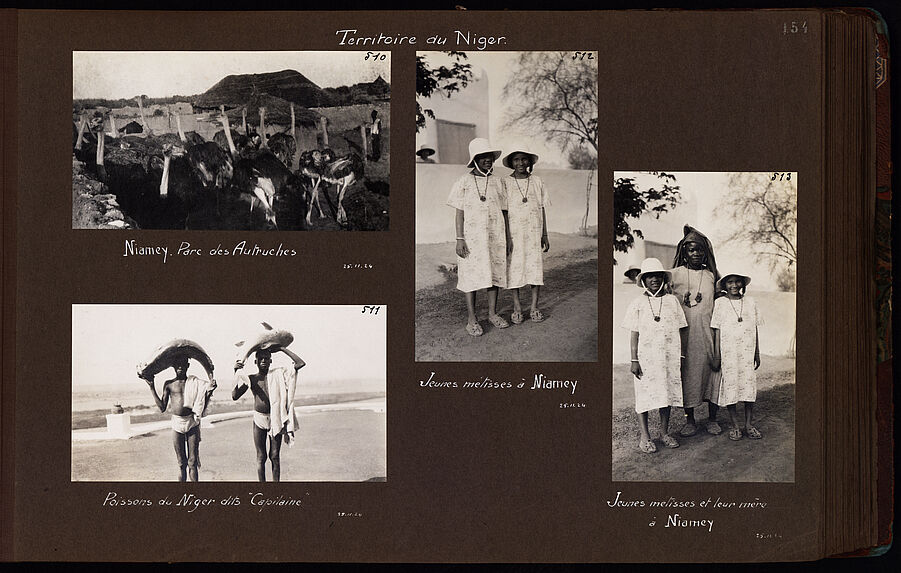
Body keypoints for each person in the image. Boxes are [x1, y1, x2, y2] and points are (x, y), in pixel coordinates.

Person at [621, 258, 688, 453]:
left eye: (658, 276)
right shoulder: (638, 303)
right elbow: (634, 333)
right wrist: (634, 360)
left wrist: (681, 356)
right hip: (646, 359)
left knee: (665, 394)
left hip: (668, 357)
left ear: (663, 279)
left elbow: (682, 328)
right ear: (643, 280)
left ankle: (664, 432)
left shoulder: (672, 301)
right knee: (644, 396)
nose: (654, 280)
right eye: (649, 277)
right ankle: (645, 436)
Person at [447, 138, 512, 336]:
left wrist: (508, 237)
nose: (487, 161)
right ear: (474, 159)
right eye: (482, 157)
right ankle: (472, 319)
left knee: (494, 274)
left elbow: (505, 212)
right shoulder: (463, 182)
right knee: (471, 277)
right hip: (472, 239)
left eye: (490, 157)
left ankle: (492, 314)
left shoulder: (498, 182)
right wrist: (459, 239)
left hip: (495, 236)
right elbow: (459, 213)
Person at [669, 224, 722, 437]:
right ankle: (689, 420)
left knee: (713, 374)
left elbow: (721, 304)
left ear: (705, 252)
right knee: (687, 375)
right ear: (684, 252)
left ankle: (712, 419)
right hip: (684, 338)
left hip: (708, 335)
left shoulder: (711, 277)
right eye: (691, 249)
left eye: (700, 249)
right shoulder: (673, 275)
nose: (696, 253)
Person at [232, 347, 305, 482]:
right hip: (259, 419)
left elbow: (300, 363)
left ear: (271, 361)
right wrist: (236, 373)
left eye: (266, 358)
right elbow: (235, 396)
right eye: (261, 358)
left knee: (275, 456)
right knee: (261, 457)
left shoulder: (278, 375)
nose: (264, 361)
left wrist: (282, 349)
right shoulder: (252, 379)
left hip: (275, 418)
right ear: (256, 361)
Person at [143, 356, 217, 482]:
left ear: (188, 366)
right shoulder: (169, 384)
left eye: (183, 364)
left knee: (192, 462)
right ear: (173, 367)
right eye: (177, 365)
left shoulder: (196, 382)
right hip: (177, 424)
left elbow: (201, 401)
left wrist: (210, 390)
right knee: (181, 463)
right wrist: (152, 387)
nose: (180, 368)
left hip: (192, 422)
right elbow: (162, 407)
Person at [710, 272, 763, 440]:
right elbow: (717, 330)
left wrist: (757, 352)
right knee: (731, 386)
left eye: (737, 282)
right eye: (730, 282)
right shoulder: (720, 303)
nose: (734, 285)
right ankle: (735, 425)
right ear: (725, 285)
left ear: (742, 284)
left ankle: (748, 424)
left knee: (748, 387)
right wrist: (717, 354)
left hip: (746, 351)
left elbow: (754, 328)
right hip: (729, 352)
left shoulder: (751, 302)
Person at [501, 148, 550, 324]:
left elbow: (542, 208)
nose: (520, 163)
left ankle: (534, 307)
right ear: (511, 162)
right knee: (515, 268)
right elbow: (504, 212)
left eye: (524, 159)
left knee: (534, 269)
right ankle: (517, 307)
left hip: (534, 232)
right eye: (516, 160)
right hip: (515, 234)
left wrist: (544, 234)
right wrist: (507, 237)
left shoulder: (537, 181)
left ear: (529, 161)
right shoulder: (505, 183)